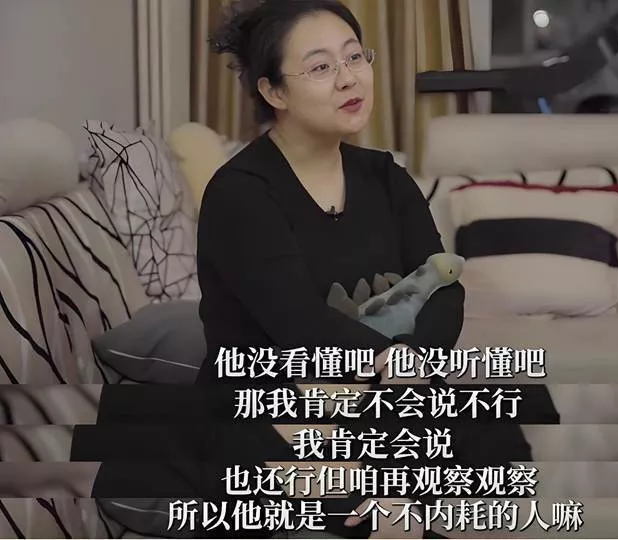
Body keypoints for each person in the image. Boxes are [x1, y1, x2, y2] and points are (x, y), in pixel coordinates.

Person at [194, 0, 544, 538]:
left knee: (499, 454)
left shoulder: (386, 177)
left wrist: (414, 362)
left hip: (380, 390)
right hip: (275, 403)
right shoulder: (241, 194)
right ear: (274, 92)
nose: (348, 78)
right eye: (320, 67)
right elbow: (299, 324)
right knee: (379, 511)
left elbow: (442, 283)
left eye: (354, 57)